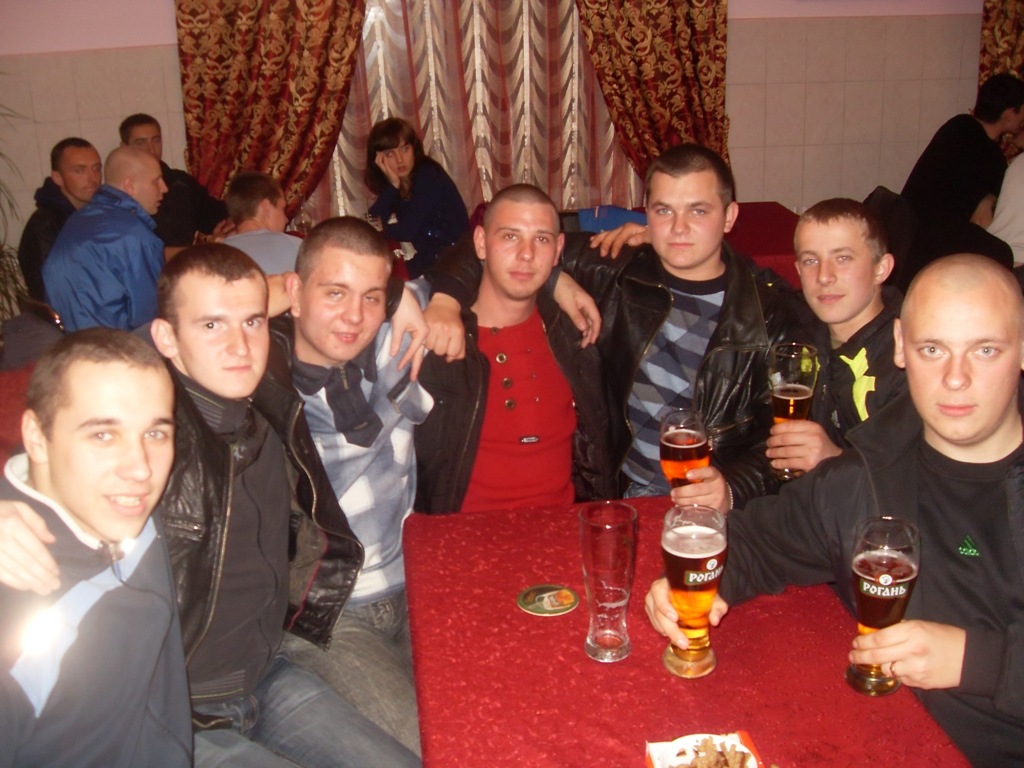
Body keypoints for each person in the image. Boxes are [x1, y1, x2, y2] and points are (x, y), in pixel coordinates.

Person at [645, 253, 1024, 765]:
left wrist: (977, 661)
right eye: (933, 349)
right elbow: (759, 541)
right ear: (901, 347)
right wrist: (694, 586)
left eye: (985, 349)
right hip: (880, 738)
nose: (956, 378)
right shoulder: (865, 473)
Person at [146, 244, 419, 767]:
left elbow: (342, 299)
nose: (239, 345)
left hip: (267, 673)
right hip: (182, 712)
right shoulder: (152, 437)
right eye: (211, 325)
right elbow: (80, 405)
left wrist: (402, 293)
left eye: (251, 321)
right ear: (165, 338)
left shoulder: (268, 401)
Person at [427, 143, 795, 511]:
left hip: (718, 507)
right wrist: (450, 300)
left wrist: (731, 489)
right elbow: (495, 247)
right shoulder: (617, 271)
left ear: (729, 217)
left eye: (698, 211)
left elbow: (791, 440)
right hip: (624, 497)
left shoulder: (769, 315)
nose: (678, 228)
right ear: (646, 214)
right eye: (664, 211)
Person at [275, 217, 432, 752]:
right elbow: (164, 339)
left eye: (370, 297)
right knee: (422, 750)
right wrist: (260, 292)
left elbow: (489, 270)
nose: (354, 316)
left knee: (484, 719)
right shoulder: (258, 381)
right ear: (295, 292)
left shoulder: (397, 345)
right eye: (335, 293)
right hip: (330, 612)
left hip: (417, 588)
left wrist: (417, 296)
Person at [1, 328, 191, 767]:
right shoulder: (16, 606)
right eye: (103, 435)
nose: (140, 470)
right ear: (36, 437)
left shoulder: (122, 505)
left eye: (155, 434)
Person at [414, 184, 617, 513]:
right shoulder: (435, 335)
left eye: (541, 239)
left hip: (566, 529)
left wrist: (649, 234)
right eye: (510, 236)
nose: (526, 254)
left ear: (558, 249)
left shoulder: (572, 329)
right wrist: (444, 299)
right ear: (481, 243)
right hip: (462, 536)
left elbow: (677, 253)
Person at [765, 198, 906, 477]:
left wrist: (836, 461)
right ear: (798, 271)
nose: (824, 276)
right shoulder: (800, 338)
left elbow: (917, 482)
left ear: (881, 268)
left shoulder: (906, 363)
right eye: (811, 261)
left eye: (843, 259)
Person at [898, 72, 1024, 288]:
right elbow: (981, 221)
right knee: (1004, 254)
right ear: (1009, 113)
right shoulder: (991, 158)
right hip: (935, 246)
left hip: (907, 235)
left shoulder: (957, 126)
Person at [43, 146, 168, 332]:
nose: (164, 188)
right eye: (156, 181)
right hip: (111, 345)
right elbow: (150, 317)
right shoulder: (132, 234)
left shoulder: (79, 219)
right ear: (130, 186)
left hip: (70, 342)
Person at [366, 117, 469, 279]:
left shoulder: (427, 175)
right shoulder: (400, 182)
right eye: (390, 154)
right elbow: (372, 221)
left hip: (455, 263)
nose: (400, 159)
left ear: (414, 149)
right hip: (433, 260)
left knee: (386, 281)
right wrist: (393, 185)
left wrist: (380, 229)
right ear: (379, 160)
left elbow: (406, 231)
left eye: (405, 149)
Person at [119, 113, 229, 249]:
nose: (151, 149)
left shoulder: (179, 182)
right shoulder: (119, 193)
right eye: (140, 143)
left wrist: (233, 221)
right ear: (124, 147)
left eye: (156, 140)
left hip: (187, 260)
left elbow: (213, 215)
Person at [16, 138, 102, 302]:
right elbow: (48, 290)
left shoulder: (99, 214)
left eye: (96, 168)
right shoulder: (44, 224)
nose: (92, 178)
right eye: (80, 170)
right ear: (57, 177)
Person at [222, 170, 300, 274]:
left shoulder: (214, 257)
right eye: (282, 208)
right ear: (266, 208)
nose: (286, 219)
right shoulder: (293, 246)